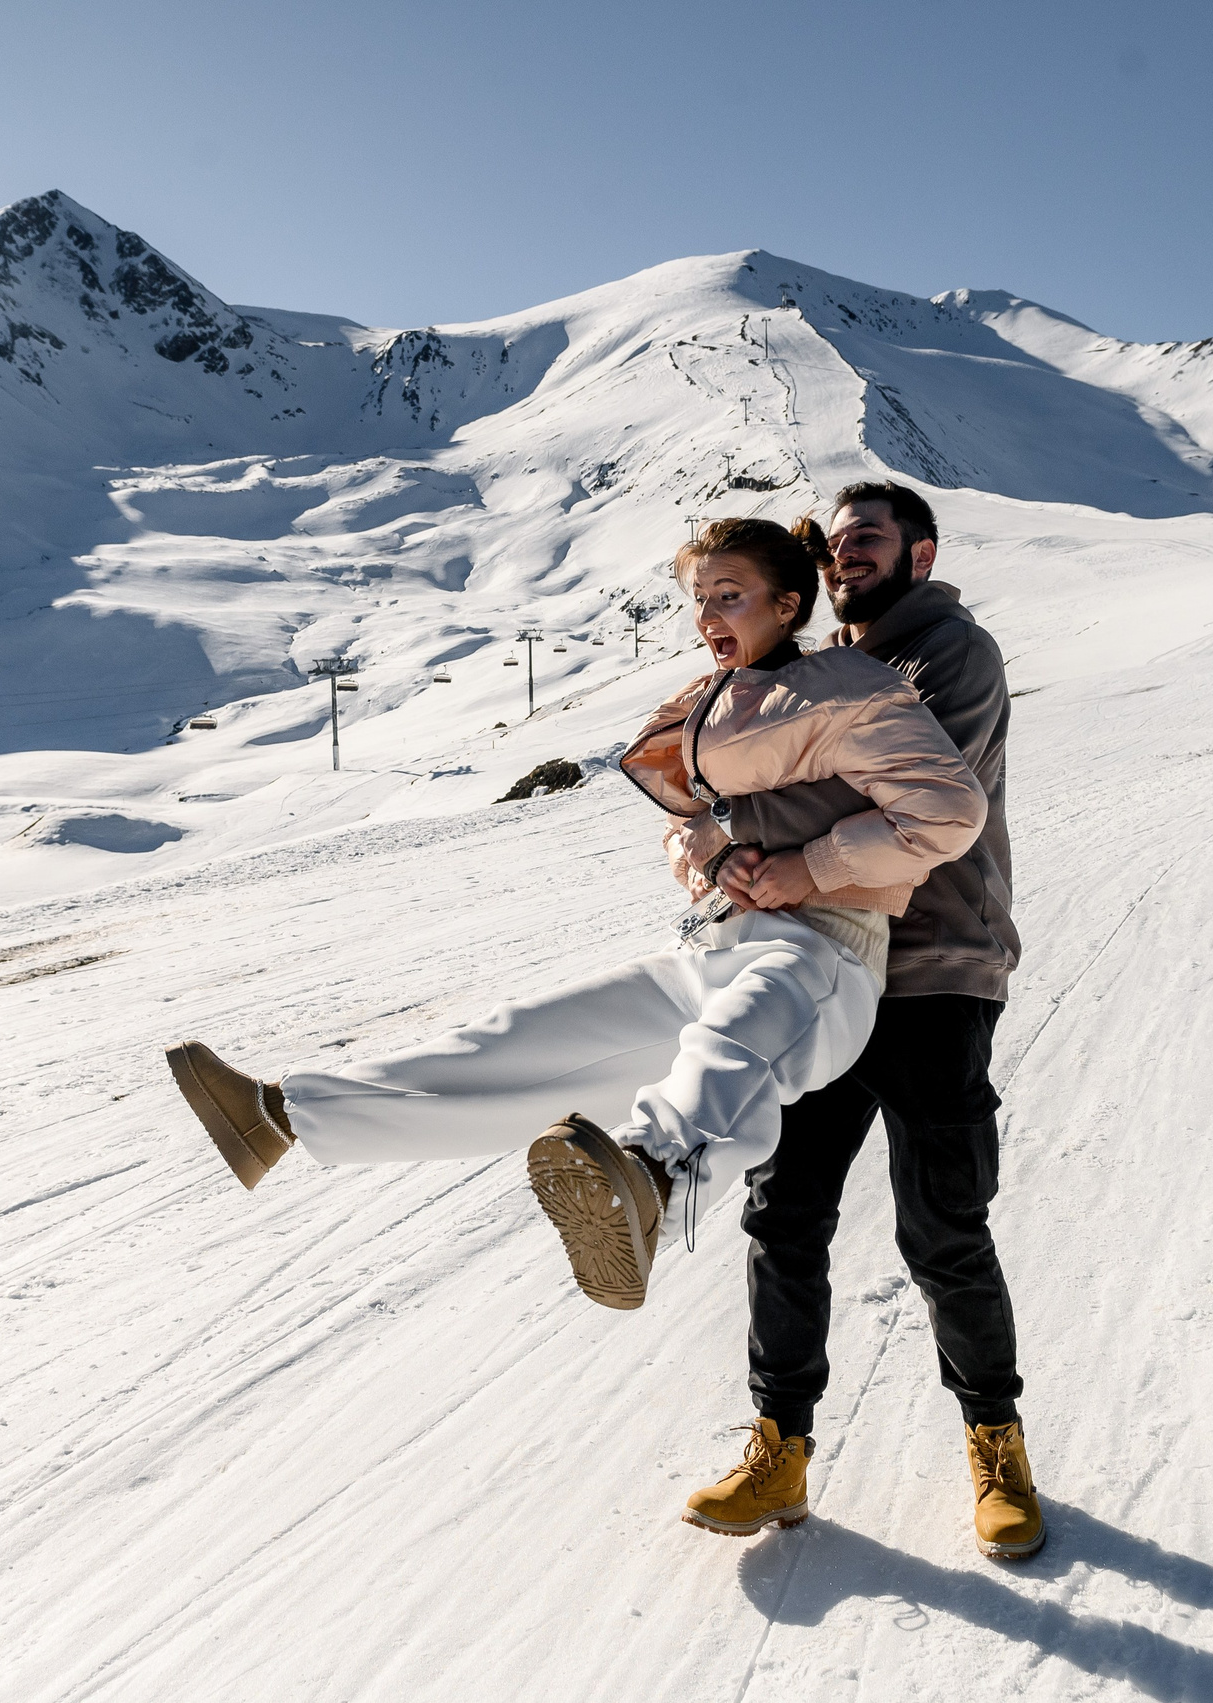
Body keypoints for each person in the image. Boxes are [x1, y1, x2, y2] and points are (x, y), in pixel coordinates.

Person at [162, 515, 986, 1335]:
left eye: (729, 596)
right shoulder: (702, 706)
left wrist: (809, 868)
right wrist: (713, 856)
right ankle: (282, 1114)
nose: (708, 617)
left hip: (825, 954)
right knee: (518, 1044)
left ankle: (656, 1182)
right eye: (700, 600)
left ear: (788, 602)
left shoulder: (849, 687)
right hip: (715, 941)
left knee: (733, 1048)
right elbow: (688, 825)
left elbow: (947, 811)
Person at [674, 481, 1041, 1562]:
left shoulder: (947, 654)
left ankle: (995, 1439)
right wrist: (724, 837)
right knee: (783, 1211)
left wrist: (773, 837)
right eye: (835, 547)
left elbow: (906, 803)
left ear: (919, 552)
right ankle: (778, 1443)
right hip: (830, 965)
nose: (848, 560)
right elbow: (756, 791)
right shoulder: (817, 672)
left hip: (933, 971)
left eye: (869, 540)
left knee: (943, 1225)